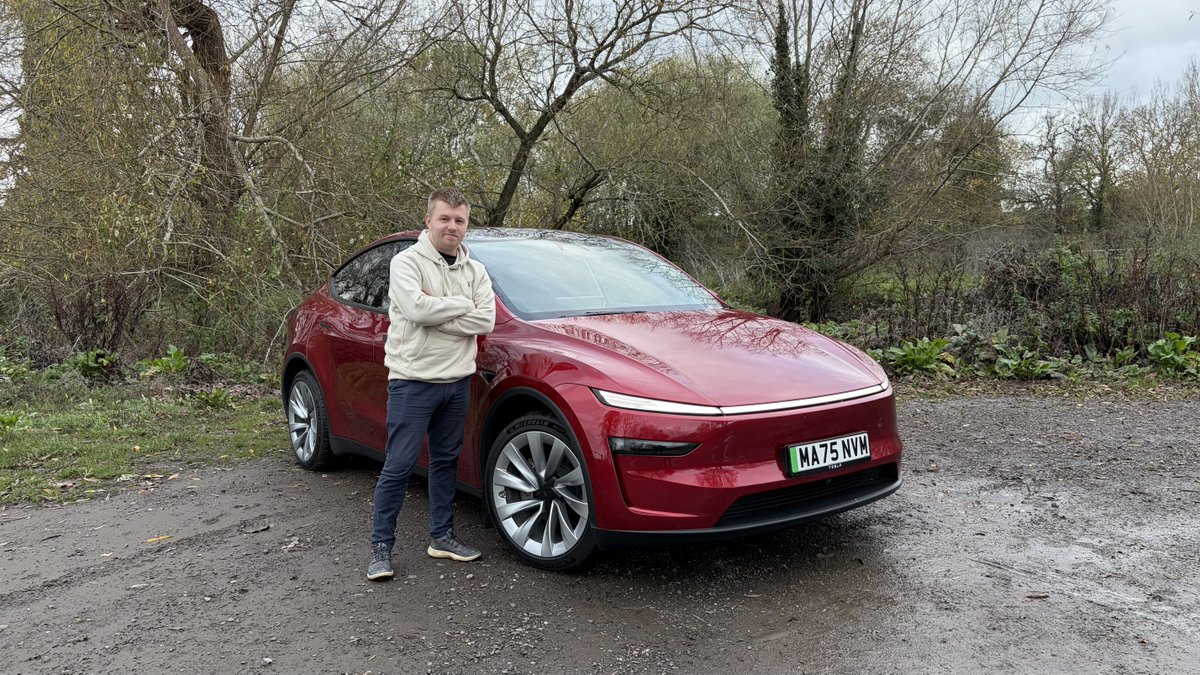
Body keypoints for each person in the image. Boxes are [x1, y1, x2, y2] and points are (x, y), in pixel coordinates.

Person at [367, 187, 495, 581]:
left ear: (466, 224)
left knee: (445, 462)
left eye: (459, 220)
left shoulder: (476, 271)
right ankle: (381, 548)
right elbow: (417, 310)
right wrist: (462, 305)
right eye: (444, 218)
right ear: (428, 221)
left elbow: (486, 320)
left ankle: (442, 537)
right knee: (400, 464)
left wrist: (438, 311)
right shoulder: (406, 263)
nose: (452, 226)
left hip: (457, 382)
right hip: (413, 382)